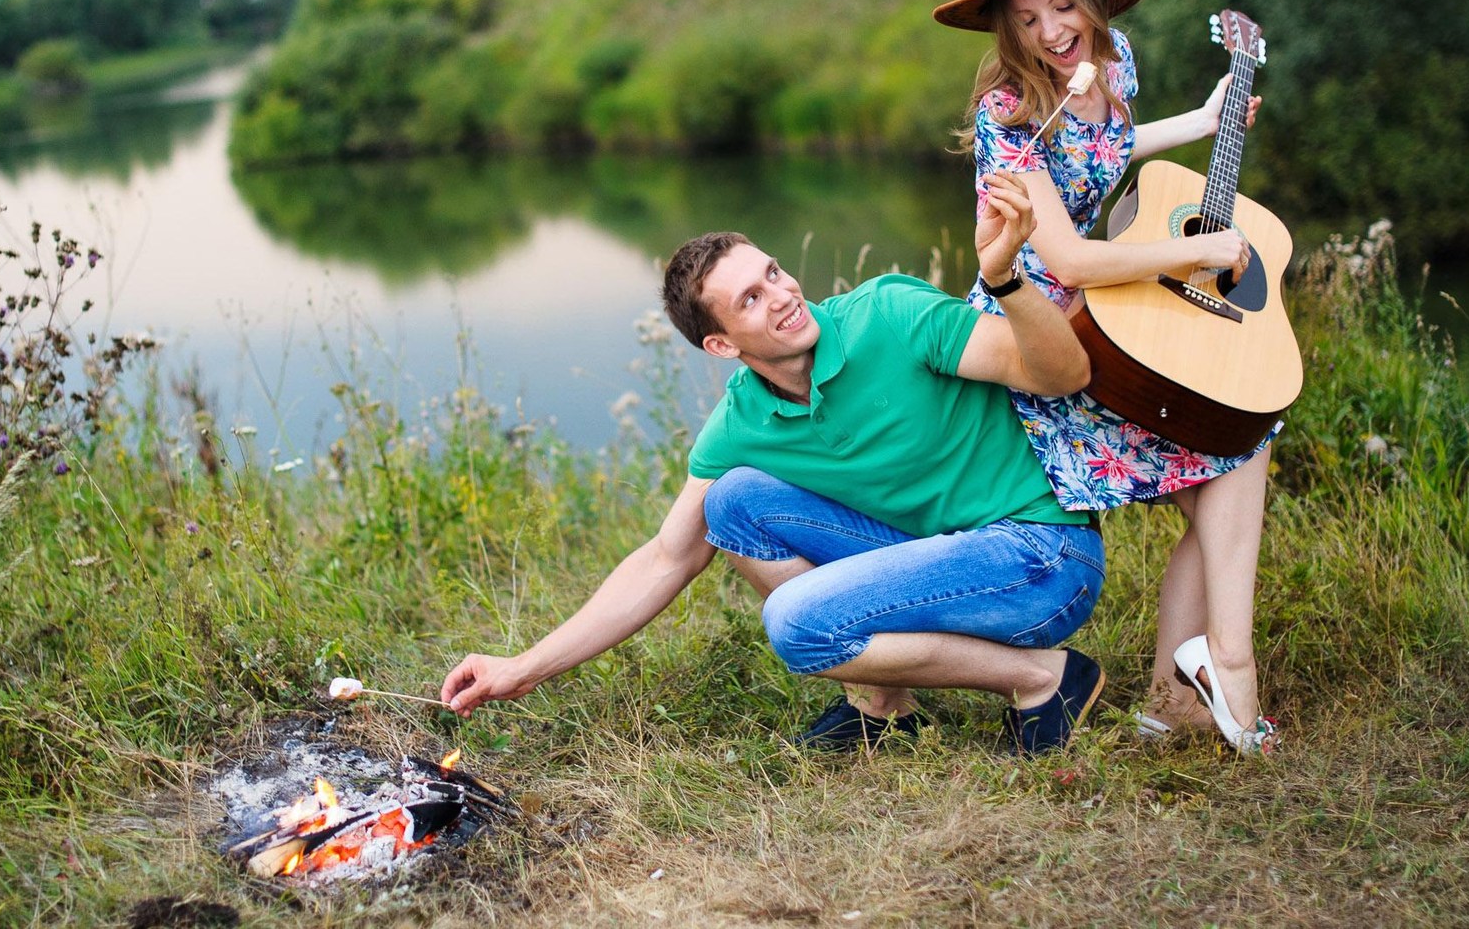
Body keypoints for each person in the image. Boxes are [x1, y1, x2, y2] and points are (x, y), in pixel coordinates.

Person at [441, 173, 1109, 753]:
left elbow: (1062, 373)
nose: (784, 294)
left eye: (772, 273)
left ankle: (1045, 679)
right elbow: (665, 558)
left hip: (1041, 557)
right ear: (722, 345)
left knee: (798, 623)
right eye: (751, 300)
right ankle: (883, 708)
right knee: (730, 502)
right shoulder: (742, 423)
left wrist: (1004, 277)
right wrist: (523, 668)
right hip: (940, 556)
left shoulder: (890, 314)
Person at [931, 0, 1279, 754]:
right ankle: (1216, 672)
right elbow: (1073, 263)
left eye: (1063, 6)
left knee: (1233, 445)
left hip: (1109, 306)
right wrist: (1194, 250)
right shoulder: (1007, 117)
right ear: (1007, 31)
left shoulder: (1114, 60)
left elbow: (1106, 151)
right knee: (1234, 446)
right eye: (1028, 19)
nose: (1053, 31)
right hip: (1042, 330)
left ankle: (1181, 692)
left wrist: (1202, 124)